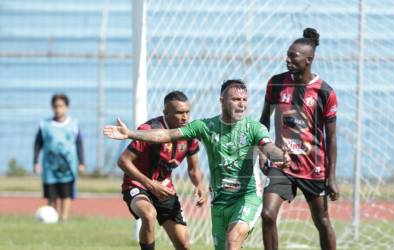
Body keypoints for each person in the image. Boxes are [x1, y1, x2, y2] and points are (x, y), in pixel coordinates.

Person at [104, 80, 290, 250]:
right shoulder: (204, 126)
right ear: (222, 100)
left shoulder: (254, 127)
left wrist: (280, 156)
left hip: (246, 197)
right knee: (226, 246)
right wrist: (130, 133)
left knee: (232, 242)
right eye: (236, 99)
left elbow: (268, 147)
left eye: (244, 99)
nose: (242, 104)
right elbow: (166, 135)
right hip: (217, 200)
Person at [259, 28, 339, 250]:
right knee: (267, 214)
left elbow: (331, 138)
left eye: (293, 55)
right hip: (282, 162)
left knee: (322, 221)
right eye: (288, 54)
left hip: (313, 166)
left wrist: (331, 177)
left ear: (308, 60)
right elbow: (264, 120)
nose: (288, 59)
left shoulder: (325, 92)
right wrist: (263, 151)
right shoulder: (275, 83)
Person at [117, 91, 206, 250]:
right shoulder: (148, 130)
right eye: (179, 113)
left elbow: (193, 169)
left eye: (187, 112)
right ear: (166, 112)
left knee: (184, 245)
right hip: (137, 185)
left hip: (164, 189)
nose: (185, 117)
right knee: (149, 216)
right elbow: (123, 161)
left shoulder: (190, 134)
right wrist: (150, 184)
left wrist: (199, 186)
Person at [33, 93, 85, 222]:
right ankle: (51, 217)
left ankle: (64, 218)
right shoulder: (45, 125)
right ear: (52, 107)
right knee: (51, 195)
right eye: (55, 106)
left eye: (61, 106)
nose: (58, 109)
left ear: (66, 107)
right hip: (49, 167)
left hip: (68, 167)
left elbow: (79, 143)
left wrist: (81, 162)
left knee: (66, 194)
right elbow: (38, 143)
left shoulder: (73, 124)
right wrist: (35, 162)